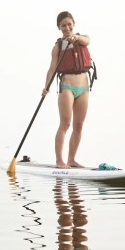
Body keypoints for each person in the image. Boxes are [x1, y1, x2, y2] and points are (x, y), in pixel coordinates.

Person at [42, 11, 92, 169]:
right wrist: (46, 87)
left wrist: (76, 38)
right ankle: (59, 161)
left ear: (74, 24)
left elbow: (86, 40)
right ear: (59, 27)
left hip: (84, 87)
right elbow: (51, 69)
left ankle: (71, 160)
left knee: (79, 125)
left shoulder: (83, 39)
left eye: (69, 24)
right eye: (63, 25)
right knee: (65, 124)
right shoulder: (58, 47)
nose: (67, 27)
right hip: (67, 87)